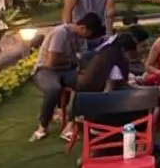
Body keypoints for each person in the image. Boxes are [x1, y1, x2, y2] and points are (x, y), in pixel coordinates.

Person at [30, 11, 104, 140]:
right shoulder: (61, 33)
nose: (88, 38)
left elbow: (81, 59)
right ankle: (43, 126)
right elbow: (51, 62)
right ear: (82, 28)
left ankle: (70, 124)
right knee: (54, 89)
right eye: (89, 34)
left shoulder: (82, 38)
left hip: (67, 70)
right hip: (46, 70)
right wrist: (73, 60)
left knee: (86, 83)